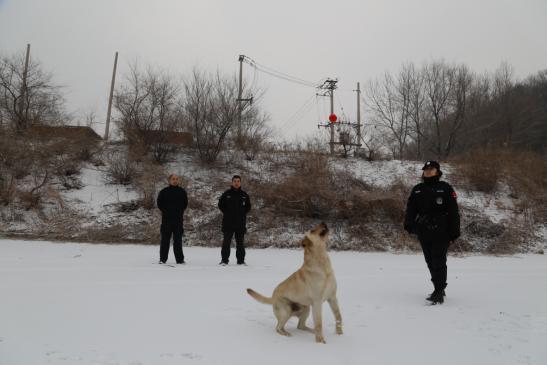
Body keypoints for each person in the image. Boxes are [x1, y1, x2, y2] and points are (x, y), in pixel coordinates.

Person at [404, 161, 460, 304]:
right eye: (426, 169)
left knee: (439, 260)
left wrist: (454, 232)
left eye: (431, 169)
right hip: (424, 230)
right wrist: (409, 225)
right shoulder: (417, 189)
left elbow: (454, 211)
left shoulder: (445, 188)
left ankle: (439, 291)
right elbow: (411, 209)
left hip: (442, 230)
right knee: (429, 261)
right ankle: (438, 286)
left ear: (437, 171)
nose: (428, 171)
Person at [218, 175, 251, 265]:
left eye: (238, 181)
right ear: (232, 182)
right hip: (228, 223)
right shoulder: (226, 194)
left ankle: (241, 261)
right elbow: (220, 205)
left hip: (240, 223)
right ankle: (224, 260)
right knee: (226, 242)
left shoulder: (244, 195)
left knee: (240, 243)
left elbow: (248, 207)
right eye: (235, 181)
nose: (236, 183)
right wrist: (228, 213)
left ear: (240, 183)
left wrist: (241, 214)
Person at [156, 174, 188, 264]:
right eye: (173, 179)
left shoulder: (182, 192)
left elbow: (185, 204)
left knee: (178, 241)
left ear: (178, 180)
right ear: (169, 180)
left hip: (178, 221)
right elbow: (159, 204)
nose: (175, 180)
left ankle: (180, 260)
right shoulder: (164, 192)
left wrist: (178, 212)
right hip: (166, 221)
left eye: (176, 179)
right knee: (165, 241)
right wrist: (166, 211)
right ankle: (162, 259)